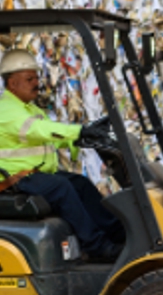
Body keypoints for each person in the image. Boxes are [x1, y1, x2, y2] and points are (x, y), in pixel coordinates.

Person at [0, 49, 125, 261]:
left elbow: (50, 131)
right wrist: (78, 132)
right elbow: (38, 130)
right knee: (62, 188)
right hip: (16, 179)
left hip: (34, 175)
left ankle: (119, 234)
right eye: (30, 79)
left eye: (36, 78)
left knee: (81, 184)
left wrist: (77, 138)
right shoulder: (7, 111)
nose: (36, 83)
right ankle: (97, 247)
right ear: (12, 84)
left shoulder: (29, 109)